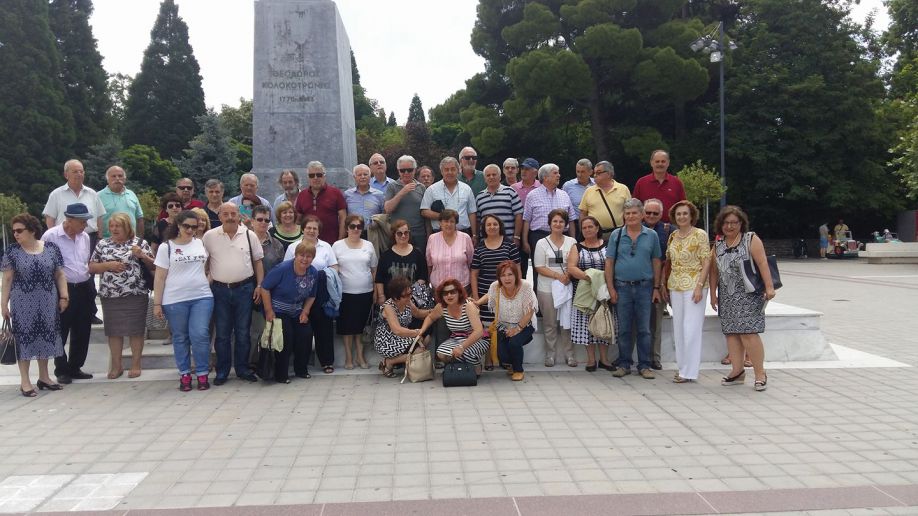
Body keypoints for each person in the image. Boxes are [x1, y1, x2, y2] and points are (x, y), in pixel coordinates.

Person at [710, 205, 775, 392]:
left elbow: (762, 263)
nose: (730, 226)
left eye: (734, 223)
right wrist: (713, 294)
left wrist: (769, 287)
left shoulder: (750, 239)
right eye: (726, 223)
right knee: (731, 333)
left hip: (749, 294)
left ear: (741, 223)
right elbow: (714, 271)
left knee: (749, 333)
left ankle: (760, 373)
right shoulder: (718, 244)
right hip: (727, 295)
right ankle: (737, 371)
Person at [1, 214, 67, 397]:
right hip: (22, 302)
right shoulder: (12, 251)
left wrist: (64, 296)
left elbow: (60, 274)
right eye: (14, 231)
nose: (15, 234)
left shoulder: (51, 248)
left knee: (46, 336)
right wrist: (3, 304)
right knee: (24, 338)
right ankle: (25, 381)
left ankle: (44, 377)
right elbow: (7, 279)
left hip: (48, 300)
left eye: (19, 230)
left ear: (31, 230)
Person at [203, 202, 265, 385]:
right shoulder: (209, 236)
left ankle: (243, 369)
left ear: (239, 215)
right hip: (219, 290)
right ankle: (222, 371)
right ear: (219, 216)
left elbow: (258, 262)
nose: (230, 217)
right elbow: (205, 263)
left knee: (243, 332)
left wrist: (259, 285)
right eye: (226, 214)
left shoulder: (249, 235)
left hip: (244, 289)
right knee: (222, 334)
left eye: (233, 213)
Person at [153, 210, 214, 391]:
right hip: (174, 298)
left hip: (202, 296)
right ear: (178, 225)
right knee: (180, 337)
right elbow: (159, 277)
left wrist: (207, 280)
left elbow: (210, 266)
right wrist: (157, 303)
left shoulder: (201, 243)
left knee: (200, 334)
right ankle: (185, 373)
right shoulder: (166, 247)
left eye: (194, 227)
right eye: (186, 226)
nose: (190, 230)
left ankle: (202, 373)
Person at [89, 213, 155, 379]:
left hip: (136, 293)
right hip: (110, 294)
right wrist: (108, 265)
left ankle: (136, 364)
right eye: (112, 226)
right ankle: (116, 366)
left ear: (127, 227)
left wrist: (142, 255)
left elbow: (154, 265)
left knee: (136, 330)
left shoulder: (140, 243)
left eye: (118, 226)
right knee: (114, 331)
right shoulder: (103, 244)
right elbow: (91, 267)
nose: (114, 229)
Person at [606, 199, 663, 380]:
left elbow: (656, 261)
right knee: (624, 328)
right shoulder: (616, 235)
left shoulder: (651, 235)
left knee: (644, 329)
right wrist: (611, 288)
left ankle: (644, 365)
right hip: (622, 287)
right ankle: (624, 364)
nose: (630, 216)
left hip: (645, 287)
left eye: (634, 213)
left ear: (642, 215)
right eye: (627, 213)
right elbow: (609, 262)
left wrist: (656, 287)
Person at [41, 203, 95, 384]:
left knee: (82, 329)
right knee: (61, 329)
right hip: (62, 288)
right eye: (82, 221)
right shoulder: (51, 236)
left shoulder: (84, 237)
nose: (85, 225)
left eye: (86, 221)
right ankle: (61, 369)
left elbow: (85, 261)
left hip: (84, 286)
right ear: (69, 220)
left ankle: (75, 366)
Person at [283, 215, 339, 374]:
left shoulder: (326, 246)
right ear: (303, 229)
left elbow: (334, 267)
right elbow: (286, 268)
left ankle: (327, 361)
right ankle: (301, 363)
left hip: (321, 289)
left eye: (315, 228)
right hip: (299, 290)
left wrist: (324, 275)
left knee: (324, 327)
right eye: (308, 228)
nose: (311, 231)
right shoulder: (293, 247)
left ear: (319, 231)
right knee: (302, 327)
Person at [662, 201, 710, 383]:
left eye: (685, 213)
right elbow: (669, 262)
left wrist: (699, 286)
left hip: (694, 286)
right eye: (679, 214)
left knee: (691, 329)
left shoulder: (700, 234)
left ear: (691, 216)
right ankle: (682, 368)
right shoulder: (673, 235)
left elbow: (706, 261)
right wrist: (664, 284)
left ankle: (690, 372)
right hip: (675, 286)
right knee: (679, 329)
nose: (682, 217)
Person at [261, 240, 319, 383]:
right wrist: (269, 311)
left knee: (305, 334)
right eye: (302, 255)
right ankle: (281, 374)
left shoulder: (313, 272)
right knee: (285, 337)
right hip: (278, 310)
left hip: (297, 310)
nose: (305, 259)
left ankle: (301, 370)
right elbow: (265, 288)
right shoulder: (282, 269)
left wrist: (305, 312)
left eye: (309, 256)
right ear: (296, 255)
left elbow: (312, 295)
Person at [567, 216, 613, 372]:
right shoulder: (577, 247)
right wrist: (591, 277)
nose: (587, 230)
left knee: (604, 322)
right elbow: (571, 268)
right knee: (587, 326)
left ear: (597, 228)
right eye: (584, 227)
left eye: (590, 227)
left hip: (604, 291)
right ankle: (591, 359)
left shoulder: (607, 245)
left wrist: (602, 281)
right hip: (585, 292)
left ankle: (604, 359)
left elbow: (612, 264)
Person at [476, 261, 537, 381]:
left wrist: (517, 329)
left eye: (510, 274)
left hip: (524, 325)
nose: (507, 278)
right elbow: (489, 295)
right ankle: (512, 364)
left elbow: (530, 311)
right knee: (502, 355)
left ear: (516, 275)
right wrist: (477, 303)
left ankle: (518, 370)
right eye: (503, 275)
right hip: (503, 325)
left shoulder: (525, 286)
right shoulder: (495, 286)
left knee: (514, 342)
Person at [332, 214, 378, 370]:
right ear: (347, 228)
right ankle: (349, 357)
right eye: (352, 226)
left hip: (365, 292)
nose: (356, 229)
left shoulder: (368, 245)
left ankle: (360, 356)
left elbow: (374, 269)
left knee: (361, 327)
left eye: (359, 226)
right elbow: (333, 269)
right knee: (347, 328)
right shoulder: (337, 245)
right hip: (345, 293)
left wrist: (376, 291)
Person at [533, 209, 577, 367]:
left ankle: (570, 355)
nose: (558, 224)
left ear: (565, 224)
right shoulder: (541, 243)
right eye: (555, 221)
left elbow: (575, 262)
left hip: (566, 288)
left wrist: (568, 276)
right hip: (547, 288)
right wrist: (558, 276)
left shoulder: (571, 242)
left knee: (566, 323)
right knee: (550, 323)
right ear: (549, 223)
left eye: (561, 221)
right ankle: (550, 355)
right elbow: (539, 266)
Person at [522, 163, 577, 287]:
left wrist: (573, 241)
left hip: (562, 238)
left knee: (563, 266)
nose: (559, 175)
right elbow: (527, 220)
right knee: (540, 268)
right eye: (555, 173)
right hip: (539, 237)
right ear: (545, 177)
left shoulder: (564, 195)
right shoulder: (532, 195)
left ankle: (564, 293)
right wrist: (525, 241)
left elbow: (571, 219)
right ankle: (541, 297)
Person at [418, 279, 489, 371]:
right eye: (445, 293)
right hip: (457, 339)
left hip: (477, 339)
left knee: (465, 353)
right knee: (441, 354)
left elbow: (479, 331)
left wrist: (462, 347)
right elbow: (430, 317)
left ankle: (475, 366)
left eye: (452, 292)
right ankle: (460, 369)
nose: (449, 295)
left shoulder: (468, 306)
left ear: (459, 293)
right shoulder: (441, 307)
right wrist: (421, 331)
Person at [375, 276, 432, 377]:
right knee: (419, 351)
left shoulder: (407, 301)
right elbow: (397, 330)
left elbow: (418, 313)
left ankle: (399, 362)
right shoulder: (388, 307)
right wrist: (416, 332)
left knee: (426, 338)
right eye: (405, 295)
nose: (409, 297)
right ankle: (389, 362)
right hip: (387, 341)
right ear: (396, 296)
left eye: (410, 293)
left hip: (401, 336)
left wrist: (433, 311)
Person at [471, 214, 520, 328]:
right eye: (488, 225)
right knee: (487, 327)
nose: (492, 227)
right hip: (484, 293)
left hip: (507, 292)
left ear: (500, 226)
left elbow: (517, 269)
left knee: (506, 325)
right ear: (484, 228)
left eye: (495, 224)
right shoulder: (479, 248)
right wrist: (476, 297)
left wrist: (516, 290)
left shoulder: (510, 245)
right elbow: (474, 274)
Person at [642, 198, 672, 370]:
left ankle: (655, 357)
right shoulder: (634, 229)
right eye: (648, 212)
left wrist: (662, 283)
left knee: (656, 324)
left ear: (661, 214)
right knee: (634, 324)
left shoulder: (669, 231)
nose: (651, 216)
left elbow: (669, 260)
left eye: (655, 213)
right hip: (638, 282)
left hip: (658, 283)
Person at [43, 159, 105, 239]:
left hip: (91, 238)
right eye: (75, 172)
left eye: (81, 172)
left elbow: (99, 218)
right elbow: (50, 219)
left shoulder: (92, 194)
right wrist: (54, 238)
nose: (79, 174)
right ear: (66, 175)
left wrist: (99, 238)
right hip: (64, 238)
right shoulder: (56, 194)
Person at [421, 157, 478, 241]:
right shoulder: (432, 189)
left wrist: (474, 234)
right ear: (441, 171)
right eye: (446, 169)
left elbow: (472, 212)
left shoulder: (466, 189)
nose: (450, 172)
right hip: (439, 235)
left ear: (458, 170)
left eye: (453, 169)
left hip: (463, 234)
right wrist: (444, 217)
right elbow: (424, 211)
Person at [374, 219, 428, 305]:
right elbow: (379, 278)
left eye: (406, 233)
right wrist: (381, 296)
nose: (403, 236)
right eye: (399, 233)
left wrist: (410, 292)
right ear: (394, 235)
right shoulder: (385, 256)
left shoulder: (418, 254)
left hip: (412, 300)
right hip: (390, 300)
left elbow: (423, 276)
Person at [295, 160, 346, 244]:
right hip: (308, 244)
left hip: (331, 243)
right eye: (312, 175)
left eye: (319, 175)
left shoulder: (336, 193)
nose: (315, 178)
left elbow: (343, 218)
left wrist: (340, 242)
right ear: (308, 178)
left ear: (324, 176)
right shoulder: (302, 195)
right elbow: (298, 221)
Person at [384, 155, 429, 252]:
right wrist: (402, 192)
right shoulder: (392, 186)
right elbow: (387, 209)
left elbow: (425, 213)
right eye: (402, 170)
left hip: (418, 234)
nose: (406, 173)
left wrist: (428, 235)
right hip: (399, 234)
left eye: (409, 170)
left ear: (415, 170)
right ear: (398, 171)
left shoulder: (421, 187)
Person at [632, 150, 686, 223]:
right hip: (646, 227)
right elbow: (635, 207)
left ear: (668, 163)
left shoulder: (677, 183)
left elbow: (683, 206)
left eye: (663, 161)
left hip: (671, 227)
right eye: (657, 161)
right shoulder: (641, 183)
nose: (660, 164)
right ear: (651, 163)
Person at [475, 164, 523, 248]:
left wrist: (516, 237)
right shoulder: (479, 197)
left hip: (508, 241)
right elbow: (478, 221)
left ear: (500, 177)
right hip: (486, 243)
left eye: (494, 174)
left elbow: (519, 215)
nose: (491, 177)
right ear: (485, 179)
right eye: (488, 175)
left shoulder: (510, 192)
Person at [579, 160, 630, 239]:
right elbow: (583, 214)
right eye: (594, 173)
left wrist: (627, 231)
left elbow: (629, 212)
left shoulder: (623, 189)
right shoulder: (588, 191)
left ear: (609, 174)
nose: (595, 175)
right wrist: (583, 233)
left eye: (598, 173)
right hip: (595, 235)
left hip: (618, 234)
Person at [427, 209, 474, 291]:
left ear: (456, 223)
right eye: (446, 221)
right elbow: (429, 264)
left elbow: (471, 262)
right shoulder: (432, 238)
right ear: (440, 223)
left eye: (452, 221)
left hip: (461, 287)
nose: (449, 224)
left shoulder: (465, 238)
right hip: (438, 287)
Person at [511, 158, 541, 278]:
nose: (523, 171)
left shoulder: (541, 187)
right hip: (518, 229)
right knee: (520, 263)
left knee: (538, 262)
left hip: (535, 230)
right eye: (522, 168)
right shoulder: (513, 188)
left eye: (527, 169)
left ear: (535, 172)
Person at [98, 165, 144, 239]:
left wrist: (140, 240)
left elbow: (139, 218)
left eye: (120, 176)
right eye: (113, 176)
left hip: (132, 241)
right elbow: (94, 220)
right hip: (108, 241)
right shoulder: (98, 196)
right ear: (107, 179)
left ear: (124, 179)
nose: (117, 178)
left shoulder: (131, 194)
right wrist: (99, 239)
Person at [344, 163, 385, 239]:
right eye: (359, 175)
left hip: (373, 234)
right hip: (353, 233)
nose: (362, 177)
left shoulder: (379, 195)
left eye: (365, 174)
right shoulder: (347, 195)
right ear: (354, 177)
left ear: (370, 176)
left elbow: (384, 215)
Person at [562, 158, 594, 226]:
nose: (579, 175)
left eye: (583, 172)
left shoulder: (597, 184)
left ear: (590, 172)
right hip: (575, 224)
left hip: (595, 223)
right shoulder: (568, 186)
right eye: (578, 171)